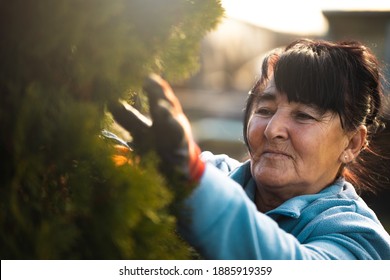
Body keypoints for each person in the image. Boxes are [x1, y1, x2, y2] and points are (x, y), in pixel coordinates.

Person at [108, 38, 390, 259]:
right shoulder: (213, 174)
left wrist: (191, 178)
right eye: (265, 109)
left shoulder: (359, 239)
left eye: (303, 115)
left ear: (352, 143)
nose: (272, 130)